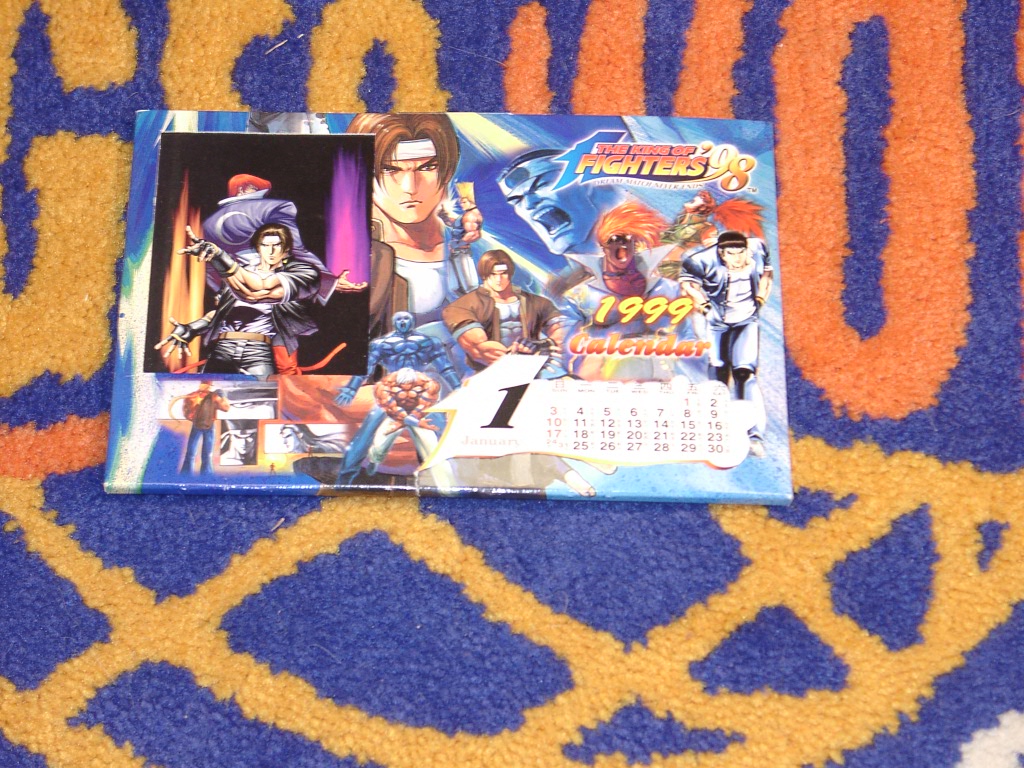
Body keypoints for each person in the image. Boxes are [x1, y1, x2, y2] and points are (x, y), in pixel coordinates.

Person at [346, 113, 481, 339]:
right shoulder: (354, 254)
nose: (410, 187)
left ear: (447, 171)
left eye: (427, 167)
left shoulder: (469, 240)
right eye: (390, 169)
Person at [155, 223, 322, 376]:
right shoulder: (236, 276)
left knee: (262, 397)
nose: (271, 251)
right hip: (223, 348)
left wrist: (219, 256)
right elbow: (220, 313)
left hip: (258, 352)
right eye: (265, 245)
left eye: (276, 245)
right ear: (258, 247)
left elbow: (254, 292)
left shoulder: (303, 274)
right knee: (207, 394)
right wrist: (192, 328)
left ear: (286, 249)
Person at [562, 202, 698, 381]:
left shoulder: (668, 289)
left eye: (628, 240)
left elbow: (687, 336)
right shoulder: (581, 296)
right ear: (604, 246)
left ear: (636, 244)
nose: (621, 247)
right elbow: (569, 345)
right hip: (609, 372)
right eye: (614, 240)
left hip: (661, 370)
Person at [677, 230, 773, 457]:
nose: (738, 258)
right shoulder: (700, 261)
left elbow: (767, 274)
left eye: (742, 252)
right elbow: (688, 286)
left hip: (747, 321)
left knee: (745, 373)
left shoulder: (758, 249)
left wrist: (760, 299)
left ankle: (753, 435)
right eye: (732, 253)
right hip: (717, 323)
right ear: (721, 253)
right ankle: (716, 431)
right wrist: (705, 308)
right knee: (719, 374)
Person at [442, 249, 566, 375]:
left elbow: (564, 332)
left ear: (510, 273)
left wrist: (543, 345)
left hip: (532, 370)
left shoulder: (536, 303)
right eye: (493, 274)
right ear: (484, 275)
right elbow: (480, 349)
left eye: (503, 273)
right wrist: (509, 355)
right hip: (489, 374)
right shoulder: (462, 307)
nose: (498, 279)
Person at [178, 381, 230, 474]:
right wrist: (193, 416)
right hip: (198, 425)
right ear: (202, 385)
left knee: (207, 453)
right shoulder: (193, 396)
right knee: (192, 452)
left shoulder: (213, 396)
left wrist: (223, 397)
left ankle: (206, 474)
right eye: (206, 385)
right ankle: (187, 472)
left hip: (209, 425)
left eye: (209, 386)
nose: (208, 387)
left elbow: (226, 408)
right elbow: (186, 410)